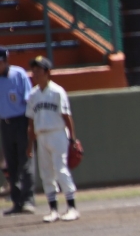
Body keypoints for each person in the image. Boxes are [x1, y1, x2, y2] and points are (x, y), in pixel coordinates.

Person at [26, 56, 80, 222]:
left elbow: (67, 116)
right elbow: (31, 122)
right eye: (33, 70)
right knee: (46, 173)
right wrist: (30, 145)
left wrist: (72, 139)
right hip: (41, 136)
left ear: (47, 72)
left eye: (38, 70)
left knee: (60, 169)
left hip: (57, 134)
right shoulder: (33, 94)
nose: (35, 73)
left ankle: (72, 208)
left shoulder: (57, 91)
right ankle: (53, 210)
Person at [0, 46, 35, 215]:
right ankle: (16, 202)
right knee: (11, 164)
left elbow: (29, 100)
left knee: (25, 162)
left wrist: (30, 125)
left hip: (21, 121)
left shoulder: (18, 74)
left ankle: (28, 200)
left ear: (6, 61)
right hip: (5, 123)